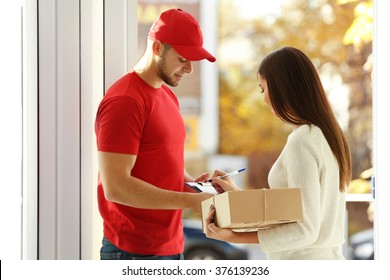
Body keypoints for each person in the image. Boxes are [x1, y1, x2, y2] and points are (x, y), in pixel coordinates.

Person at [205, 46, 352, 260]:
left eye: (263, 88)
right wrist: (237, 196)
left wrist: (236, 236)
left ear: (282, 86)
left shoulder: (303, 141)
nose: (263, 98)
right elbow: (292, 212)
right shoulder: (327, 135)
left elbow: (304, 230)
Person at [95, 8, 215, 260]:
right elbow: (116, 187)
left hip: (171, 246)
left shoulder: (167, 95)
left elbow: (159, 166)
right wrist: (188, 202)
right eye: (183, 59)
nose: (190, 69)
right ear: (158, 48)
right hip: (132, 252)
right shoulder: (126, 100)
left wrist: (193, 186)